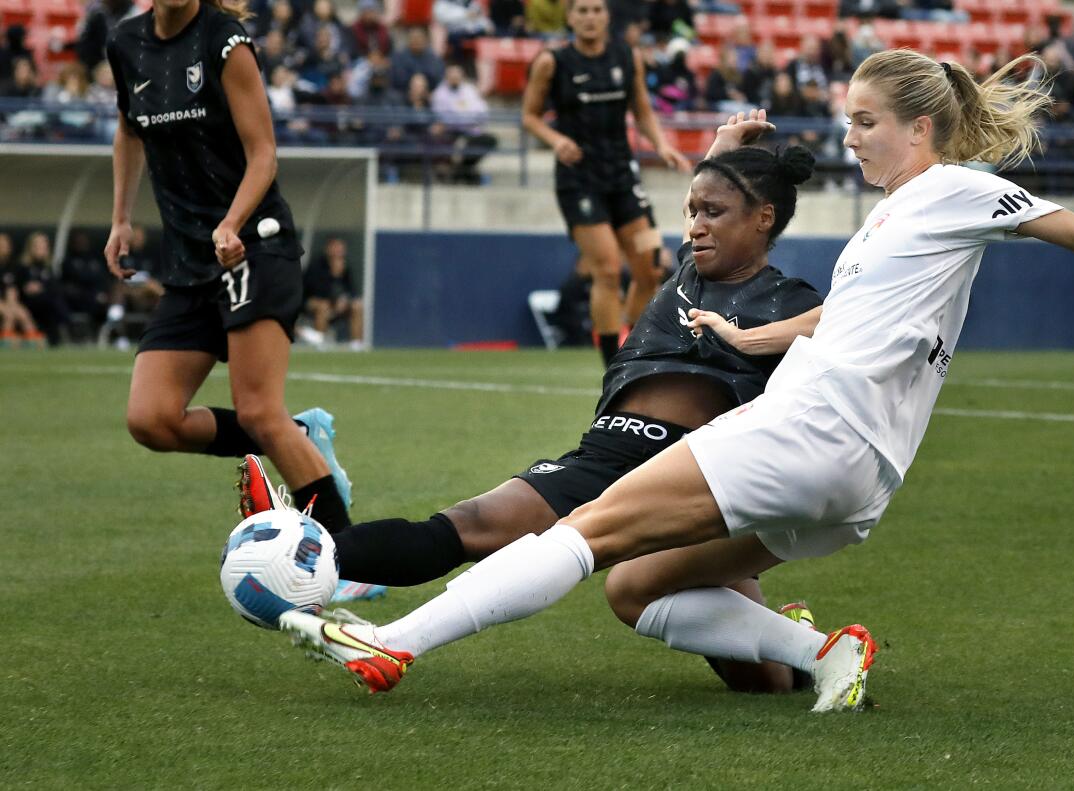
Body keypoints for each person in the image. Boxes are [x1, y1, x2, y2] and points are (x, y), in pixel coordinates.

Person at [278, 51, 1074, 711]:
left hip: (812, 430)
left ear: (920, 128)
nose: (849, 135)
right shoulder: (899, 222)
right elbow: (843, 322)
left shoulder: (948, 190)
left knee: (588, 530)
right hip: (861, 480)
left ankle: (393, 640)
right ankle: (826, 652)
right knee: (638, 588)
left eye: (865, 120)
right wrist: (759, 332)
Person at [244, 122, 825, 690]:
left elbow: (833, 346)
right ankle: (305, 552)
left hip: (697, 476)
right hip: (608, 451)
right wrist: (723, 149)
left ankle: (798, 649)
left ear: (763, 218)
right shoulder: (688, 272)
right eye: (691, 211)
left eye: (713, 213)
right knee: (472, 525)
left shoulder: (791, 301)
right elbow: (714, 198)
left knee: (761, 682)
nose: (696, 225)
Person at [104, 0, 355, 551]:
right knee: (152, 420)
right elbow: (128, 129)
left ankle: (350, 559)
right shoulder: (125, 44)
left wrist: (231, 222)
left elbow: (264, 153)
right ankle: (298, 437)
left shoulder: (224, 42)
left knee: (259, 410)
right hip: (190, 263)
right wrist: (121, 217)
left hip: (253, 246)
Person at [522, 0, 691, 366]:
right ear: (569, 17)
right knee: (609, 269)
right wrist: (556, 140)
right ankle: (611, 366)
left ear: (607, 16)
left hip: (622, 176)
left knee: (649, 265)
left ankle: (631, 351)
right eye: (581, 10)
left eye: (596, 10)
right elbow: (530, 116)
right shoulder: (552, 62)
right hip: (580, 180)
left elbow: (643, 111)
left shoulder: (626, 56)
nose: (589, 17)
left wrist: (661, 145)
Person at [302, 237, 364, 348]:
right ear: (328, 249)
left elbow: (351, 290)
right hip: (314, 303)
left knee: (357, 306)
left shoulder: (345, 267)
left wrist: (344, 300)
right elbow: (314, 290)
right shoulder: (316, 265)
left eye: (340, 248)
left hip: (338, 304)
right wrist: (333, 276)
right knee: (323, 305)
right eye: (335, 247)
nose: (338, 251)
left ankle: (356, 345)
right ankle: (319, 342)